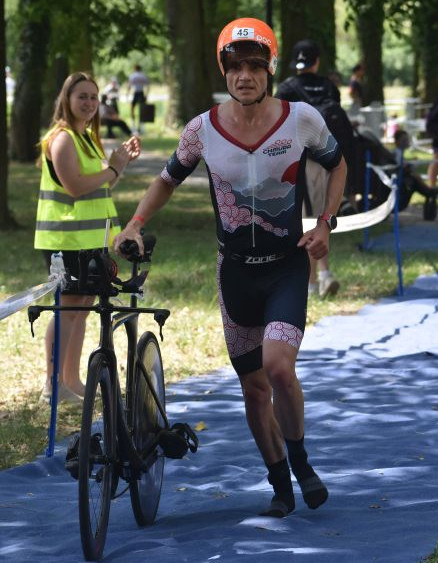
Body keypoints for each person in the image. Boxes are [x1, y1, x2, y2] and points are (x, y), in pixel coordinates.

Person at [114, 18, 343, 519]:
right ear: (224, 70)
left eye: (254, 66)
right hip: (235, 273)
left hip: (285, 266)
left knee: (280, 369)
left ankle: (302, 464)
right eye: (234, 66)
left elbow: (337, 163)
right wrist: (134, 223)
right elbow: (167, 180)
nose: (244, 76)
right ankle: (280, 482)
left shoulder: (300, 118)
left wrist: (325, 223)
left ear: (269, 70)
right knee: (254, 388)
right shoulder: (202, 129)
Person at [34, 72, 141, 402]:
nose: (90, 103)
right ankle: (52, 384)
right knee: (67, 310)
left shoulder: (86, 138)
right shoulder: (62, 138)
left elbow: (100, 186)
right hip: (65, 242)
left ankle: (71, 380)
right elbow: (75, 186)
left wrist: (117, 167)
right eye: (82, 96)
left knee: (81, 309)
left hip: (89, 240)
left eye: (94, 97)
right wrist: (114, 168)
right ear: (66, 99)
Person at [276, 39, 354, 298]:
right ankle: (324, 273)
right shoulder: (330, 87)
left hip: (300, 162)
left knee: (306, 221)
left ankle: (312, 282)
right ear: (317, 61)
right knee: (322, 219)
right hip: (331, 162)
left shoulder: (287, 88)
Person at [126, 64, 149, 132]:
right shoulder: (143, 76)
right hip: (141, 93)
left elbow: (129, 86)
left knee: (132, 109)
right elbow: (147, 86)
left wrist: (127, 94)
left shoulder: (133, 76)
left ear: (134, 69)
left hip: (136, 93)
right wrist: (146, 95)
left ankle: (133, 125)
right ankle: (142, 126)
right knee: (142, 110)